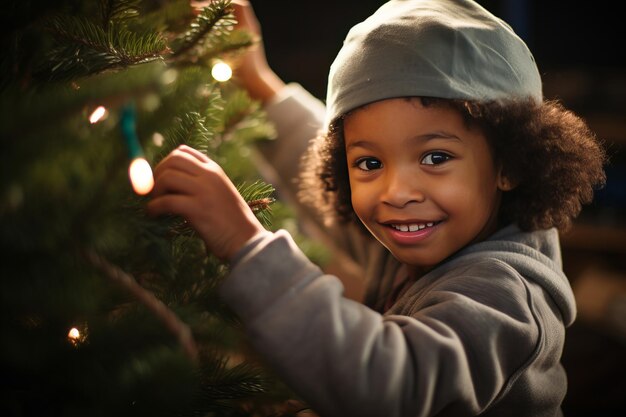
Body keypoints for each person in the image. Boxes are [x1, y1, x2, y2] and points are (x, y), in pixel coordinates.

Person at [148, 0, 606, 415]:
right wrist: (257, 82)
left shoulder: (508, 294)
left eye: (435, 157)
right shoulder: (426, 232)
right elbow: (309, 142)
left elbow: (392, 387)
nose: (395, 191)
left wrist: (244, 244)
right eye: (369, 162)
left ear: (510, 162)